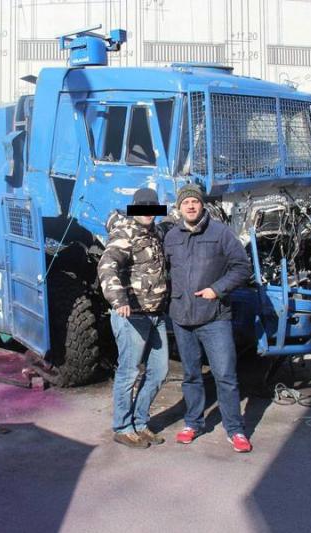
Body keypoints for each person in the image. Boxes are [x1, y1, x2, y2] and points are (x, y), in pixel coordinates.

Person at [163, 184, 254, 452]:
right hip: (182, 317)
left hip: (215, 318)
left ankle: (235, 429)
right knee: (191, 375)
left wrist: (217, 289)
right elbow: (161, 271)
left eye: (195, 201)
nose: (190, 206)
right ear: (179, 208)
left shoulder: (220, 233)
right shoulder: (171, 237)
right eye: (185, 202)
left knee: (224, 375)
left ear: (202, 205)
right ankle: (193, 422)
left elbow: (242, 268)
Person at [98, 187, 169, 449]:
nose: (149, 212)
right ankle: (123, 427)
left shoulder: (157, 232)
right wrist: (119, 300)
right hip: (132, 317)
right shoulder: (124, 233)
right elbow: (107, 265)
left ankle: (140, 422)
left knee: (159, 372)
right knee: (129, 373)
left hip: (156, 315)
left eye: (153, 207)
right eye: (143, 206)